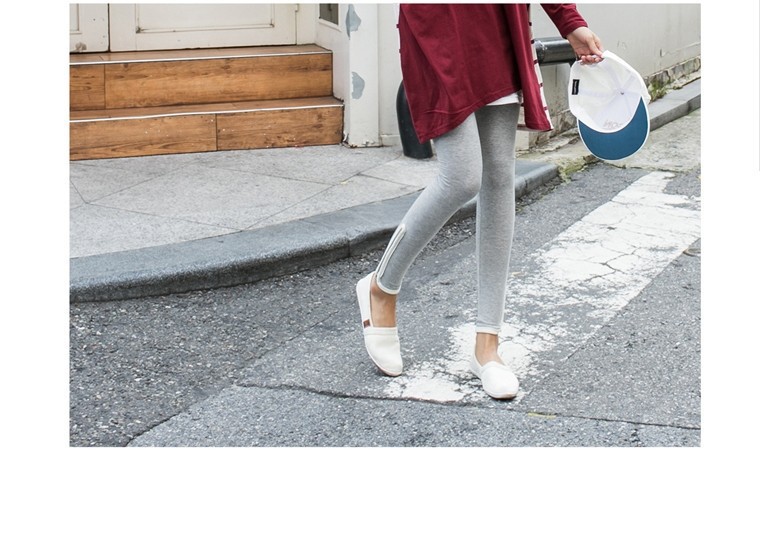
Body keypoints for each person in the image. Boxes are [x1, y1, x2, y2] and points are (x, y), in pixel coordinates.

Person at [356, 4, 604, 399]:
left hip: (496, 26)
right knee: (461, 177)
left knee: (499, 176)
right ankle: (381, 286)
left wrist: (569, 21)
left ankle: (487, 345)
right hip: (438, 25)